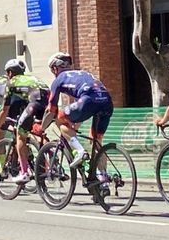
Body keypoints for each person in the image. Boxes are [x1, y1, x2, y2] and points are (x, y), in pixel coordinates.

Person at [41, 52, 114, 188]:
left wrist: (42, 128)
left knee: (59, 119)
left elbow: (51, 110)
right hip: (107, 101)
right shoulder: (82, 73)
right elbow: (80, 110)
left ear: (55, 69)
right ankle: (102, 178)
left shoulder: (58, 80)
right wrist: (74, 128)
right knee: (97, 141)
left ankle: (80, 151)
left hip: (88, 100)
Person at [0, 58, 48, 183]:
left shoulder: (11, 83)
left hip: (34, 103)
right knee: (37, 132)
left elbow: (4, 110)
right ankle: (52, 155)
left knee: (20, 136)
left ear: (9, 73)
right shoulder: (31, 78)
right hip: (48, 101)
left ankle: (24, 172)